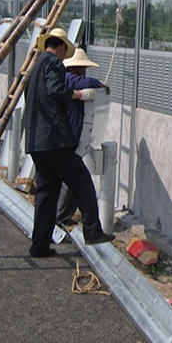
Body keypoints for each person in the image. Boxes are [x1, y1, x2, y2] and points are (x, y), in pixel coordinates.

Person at [23, 27, 114, 257]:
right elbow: (57, 89)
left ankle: (39, 246)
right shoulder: (53, 63)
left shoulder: (35, 68)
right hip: (54, 141)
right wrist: (79, 95)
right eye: (66, 51)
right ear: (61, 47)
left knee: (46, 192)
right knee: (82, 182)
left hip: (36, 142)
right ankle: (92, 231)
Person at [56, 46, 110, 225]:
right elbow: (82, 84)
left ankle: (63, 215)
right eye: (83, 68)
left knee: (72, 179)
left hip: (67, 136)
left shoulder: (64, 79)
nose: (85, 72)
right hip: (70, 136)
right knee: (74, 179)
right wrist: (100, 84)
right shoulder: (71, 80)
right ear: (77, 68)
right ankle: (61, 216)